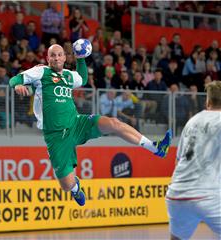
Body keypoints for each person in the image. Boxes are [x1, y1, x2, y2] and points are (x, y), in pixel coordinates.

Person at [9, 44, 172, 206]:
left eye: (59, 55)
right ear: (47, 58)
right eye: (52, 55)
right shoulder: (41, 72)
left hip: (76, 123)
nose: (56, 58)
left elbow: (83, 78)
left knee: (114, 123)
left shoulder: (68, 75)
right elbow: (14, 79)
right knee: (66, 185)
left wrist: (81, 59)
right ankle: (75, 189)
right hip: (56, 136)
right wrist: (18, 85)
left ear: (65, 58)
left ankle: (156, 148)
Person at [166, 81, 221, 240]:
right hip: (207, 195)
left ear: (207, 102)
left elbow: (178, 162)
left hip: (176, 194)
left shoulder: (192, 122)